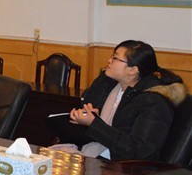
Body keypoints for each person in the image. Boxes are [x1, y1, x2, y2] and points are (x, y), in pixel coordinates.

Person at [49, 40, 186, 161]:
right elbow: (93, 108)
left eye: (115, 58)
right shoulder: (112, 85)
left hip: (123, 166)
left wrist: (94, 123)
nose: (109, 61)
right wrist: (89, 116)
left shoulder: (154, 101)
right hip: (99, 153)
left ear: (133, 70)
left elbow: (138, 150)